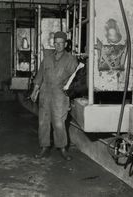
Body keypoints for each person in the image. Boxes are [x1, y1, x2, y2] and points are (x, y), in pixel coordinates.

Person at [30, 31, 78, 161]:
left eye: (61, 43)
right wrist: (35, 91)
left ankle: (62, 148)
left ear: (66, 44)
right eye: (56, 43)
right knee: (43, 123)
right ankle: (44, 147)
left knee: (59, 123)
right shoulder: (47, 58)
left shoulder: (71, 60)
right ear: (54, 43)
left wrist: (70, 98)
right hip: (45, 94)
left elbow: (75, 81)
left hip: (60, 96)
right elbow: (39, 76)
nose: (58, 46)